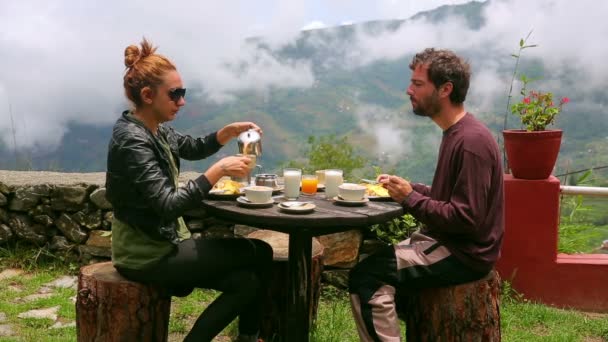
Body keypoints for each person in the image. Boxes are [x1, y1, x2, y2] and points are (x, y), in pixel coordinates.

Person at [106, 38, 272, 342]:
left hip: (162, 243)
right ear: (147, 95)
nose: (181, 101)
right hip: (145, 254)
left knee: (246, 282)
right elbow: (168, 205)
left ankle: (248, 338)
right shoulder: (132, 140)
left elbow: (192, 147)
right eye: (175, 94)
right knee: (259, 251)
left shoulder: (154, 126)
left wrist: (226, 133)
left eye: (183, 93)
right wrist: (219, 170)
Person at [348, 48, 504, 341]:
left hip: (463, 253)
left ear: (446, 89)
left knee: (366, 278)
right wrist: (411, 189)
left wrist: (410, 198)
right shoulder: (457, 133)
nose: (409, 90)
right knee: (376, 266)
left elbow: (466, 218)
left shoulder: (471, 142)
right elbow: (452, 197)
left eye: (418, 84)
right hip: (448, 242)